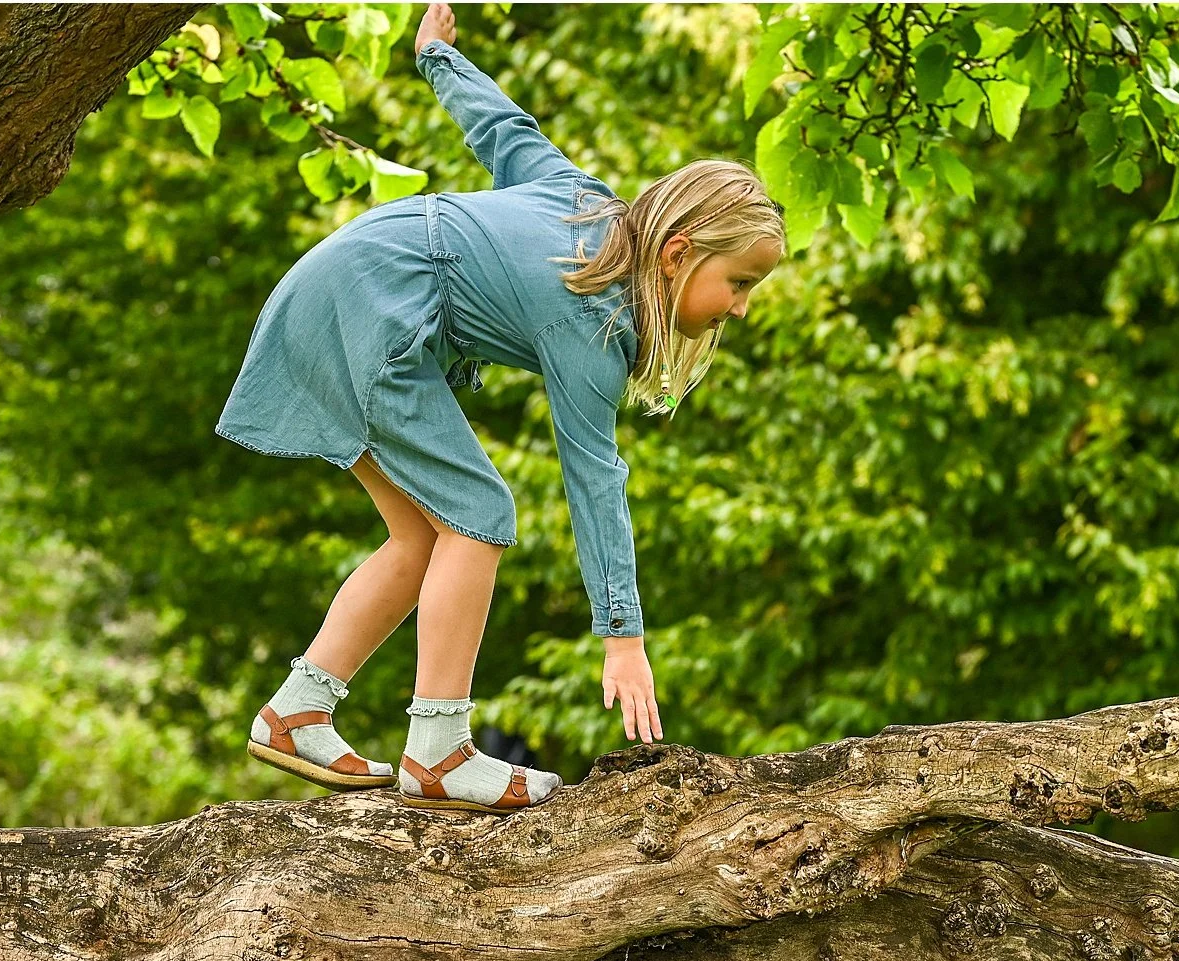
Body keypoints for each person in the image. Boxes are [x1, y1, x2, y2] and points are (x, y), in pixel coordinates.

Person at [215, 3, 785, 813]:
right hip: (370, 307)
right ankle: (438, 750)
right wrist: (622, 636)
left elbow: (506, 133)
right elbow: (595, 479)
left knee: (423, 533)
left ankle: (297, 711)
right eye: (741, 284)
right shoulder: (590, 317)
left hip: (342, 289)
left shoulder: (583, 202)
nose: (740, 308)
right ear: (676, 255)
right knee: (481, 513)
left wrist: (438, 61)